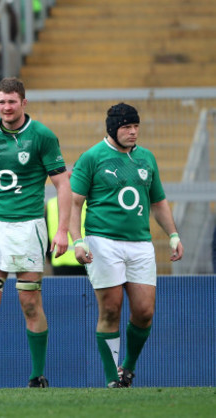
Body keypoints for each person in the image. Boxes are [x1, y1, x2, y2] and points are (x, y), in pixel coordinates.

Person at [0, 77, 71, 388]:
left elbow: (63, 184)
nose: (7, 107)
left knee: (29, 302)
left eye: (12, 101)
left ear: (23, 102)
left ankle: (37, 375)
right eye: (2, 102)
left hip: (28, 226)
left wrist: (61, 231)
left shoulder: (42, 136)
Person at [69, 103, 184, 388]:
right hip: (103, 241)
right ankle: (111, 380)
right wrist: (78, 241)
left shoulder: (147, 158)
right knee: (111, 308)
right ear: (112, 129)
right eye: (126, 128)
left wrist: (173, 235)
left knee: (144, 311)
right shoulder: (92, 157)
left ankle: (127, 368)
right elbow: (74, 203)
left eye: (136, 127)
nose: (133, 132)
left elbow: (158, 202)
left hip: (140, 244)